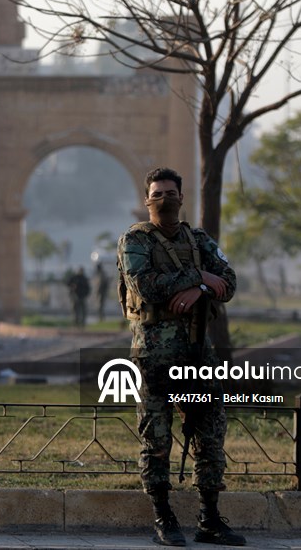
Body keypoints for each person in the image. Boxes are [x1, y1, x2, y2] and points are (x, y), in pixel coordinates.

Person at [117, 167, 245, 547]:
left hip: (197, 354)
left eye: (171, 193)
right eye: (157, 194)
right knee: (155, 438)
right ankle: (163, 517)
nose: (165, 199)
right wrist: (201, 278)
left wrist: (201, 285)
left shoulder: (199, 239)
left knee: (210, 432)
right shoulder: (133, 241)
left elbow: (230, 282)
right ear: (146, 201)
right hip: (153, 356)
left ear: (182, 198)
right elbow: (147, 286)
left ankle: (209, 519)